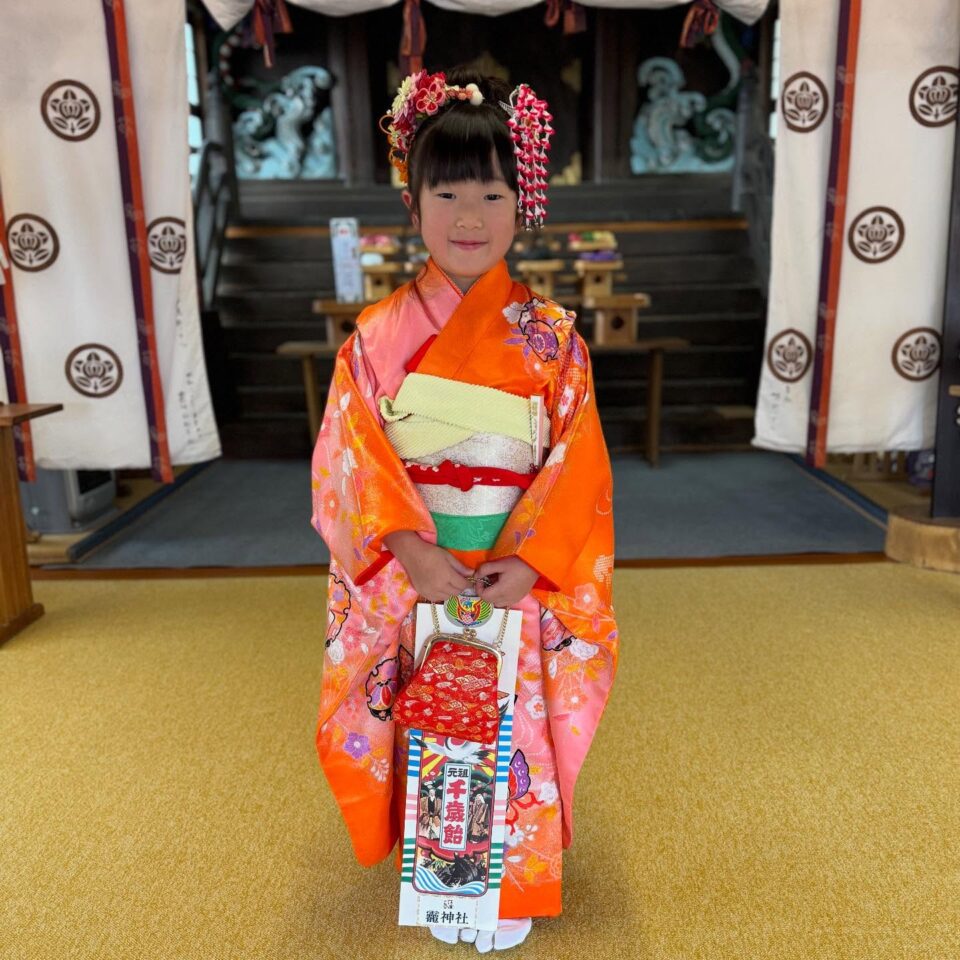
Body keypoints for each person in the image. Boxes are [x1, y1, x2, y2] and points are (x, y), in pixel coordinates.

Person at [310, 67, 618, 953]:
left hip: (511, 573)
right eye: (445, 191)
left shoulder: (554, 339)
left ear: (523, 203)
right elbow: (350, 456)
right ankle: (438, 876)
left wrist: (528, 563)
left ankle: (507, 886)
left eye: (491, 190)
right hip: (416, 571)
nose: (469, 214)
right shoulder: (372, 340)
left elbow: (580, 468)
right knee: (428, 716)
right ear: (413, 205)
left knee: (508, 721)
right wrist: (408, 547)